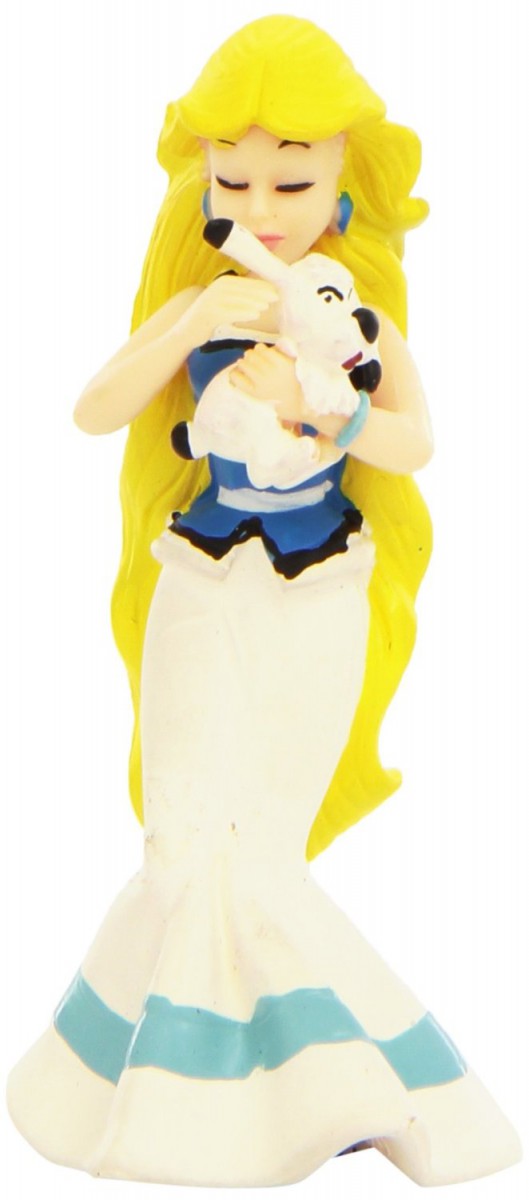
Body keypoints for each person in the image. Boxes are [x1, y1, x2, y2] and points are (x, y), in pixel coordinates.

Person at [7, 15, 521, 1188]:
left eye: (291, 180)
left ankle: (332, 1090)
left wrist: (334, 411)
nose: (263, 205)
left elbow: (417, 443)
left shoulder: (358, 316)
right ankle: (143, 1088)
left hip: (318, 591)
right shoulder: (203, 302)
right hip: (199, 579)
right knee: (183, 837)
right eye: (233, 180)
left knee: (263, 850)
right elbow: (93, 411)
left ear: (343, 182)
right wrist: (194, 322)